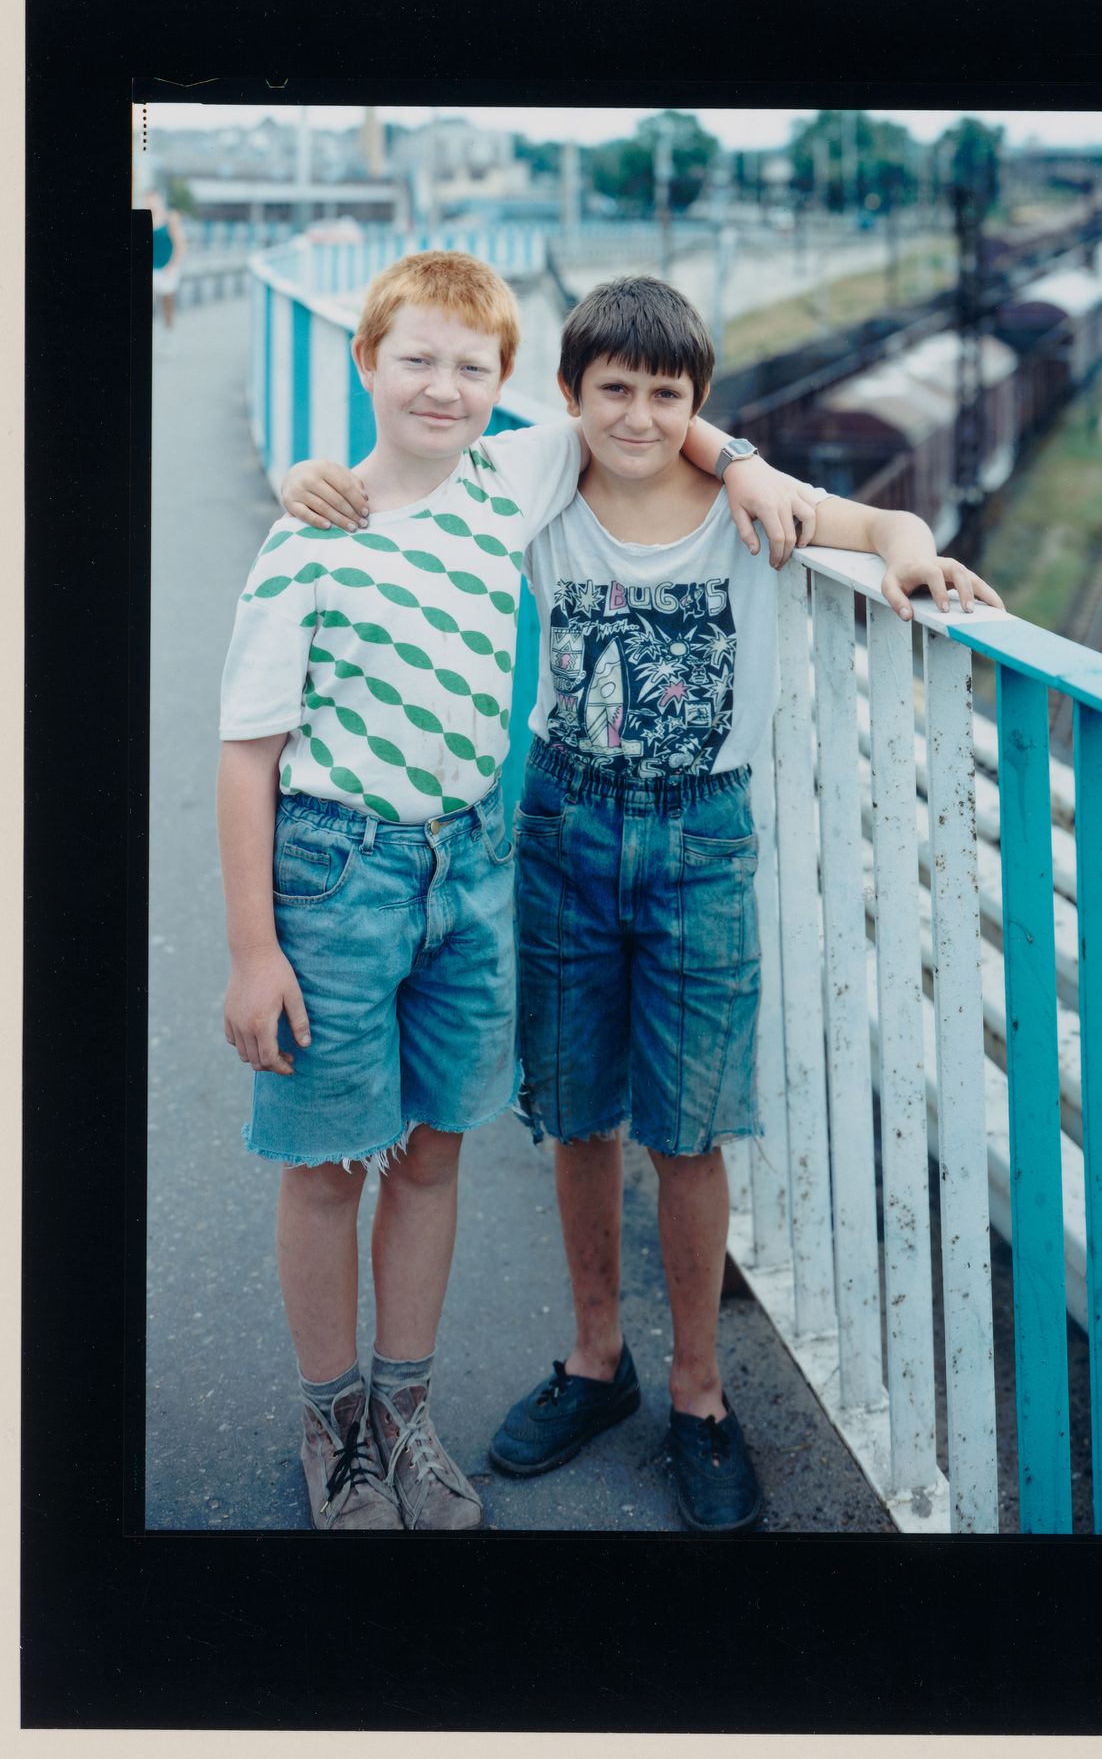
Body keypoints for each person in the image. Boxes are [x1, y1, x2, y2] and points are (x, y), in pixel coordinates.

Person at [222, 249, 815, 1532]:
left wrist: (747, 459)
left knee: (443, 1151)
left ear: (505, 390)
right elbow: (246, 751)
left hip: (475, 863)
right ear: (364, 364)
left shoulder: (514, 469)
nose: (443, 387)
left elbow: (643, 403)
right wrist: (249, 947)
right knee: (336, 1159)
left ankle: (412, 1411)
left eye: (469, 369)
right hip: (342, 871)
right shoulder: (308, 537)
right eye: (415, 360)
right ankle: (337, 1420)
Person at [483, 276, 1003, 1533]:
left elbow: (883, 522)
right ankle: (596, 1360)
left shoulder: (741, 505)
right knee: (578, 1115)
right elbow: (423, 450)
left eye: (670, 397)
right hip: (564, 819)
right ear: (569, 398)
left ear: (698, 403)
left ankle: (701, 1394)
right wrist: (311, 495)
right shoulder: (538, 482)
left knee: (691, 1126)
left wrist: (910, 559)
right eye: (615, 390)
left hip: (700, 836)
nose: (641, 416)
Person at [146, 186, 186, 343]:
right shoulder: (145, 219)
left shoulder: (170, 219)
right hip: (151, 269)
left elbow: (180, 245)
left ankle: (169, 336)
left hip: (167, 268)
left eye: (153, 198)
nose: (150, 202)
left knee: (167, 304)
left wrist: (173, 266)